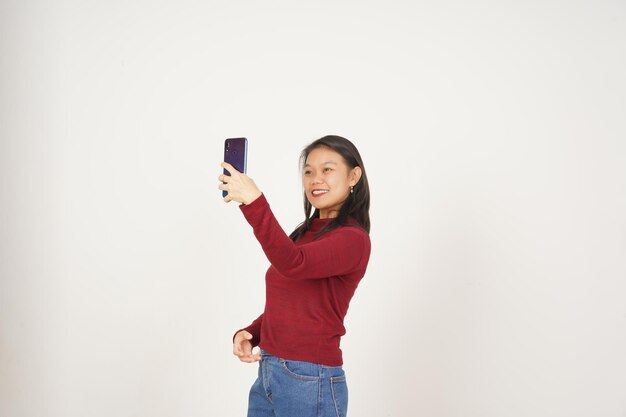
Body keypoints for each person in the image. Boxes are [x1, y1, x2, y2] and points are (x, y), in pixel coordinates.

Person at [218, 135, 371, 417]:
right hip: (270, 371)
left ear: (353, 176)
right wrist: (252, 333)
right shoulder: (305, 234)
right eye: (309, 171)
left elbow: (293, 263)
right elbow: (294, 300)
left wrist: (254, 201)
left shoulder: (353, 239)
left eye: (327, 169)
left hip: (310, 379)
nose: (315, 179)